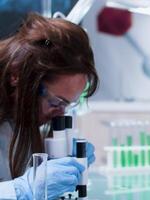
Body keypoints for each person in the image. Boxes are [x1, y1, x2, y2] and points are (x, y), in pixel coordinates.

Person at [0, 13, 99, 199]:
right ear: (17, 75)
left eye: (68, 104)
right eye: (56, 102)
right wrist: (22, 190)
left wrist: (56, 156)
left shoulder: (19, 117)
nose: (60, 113)